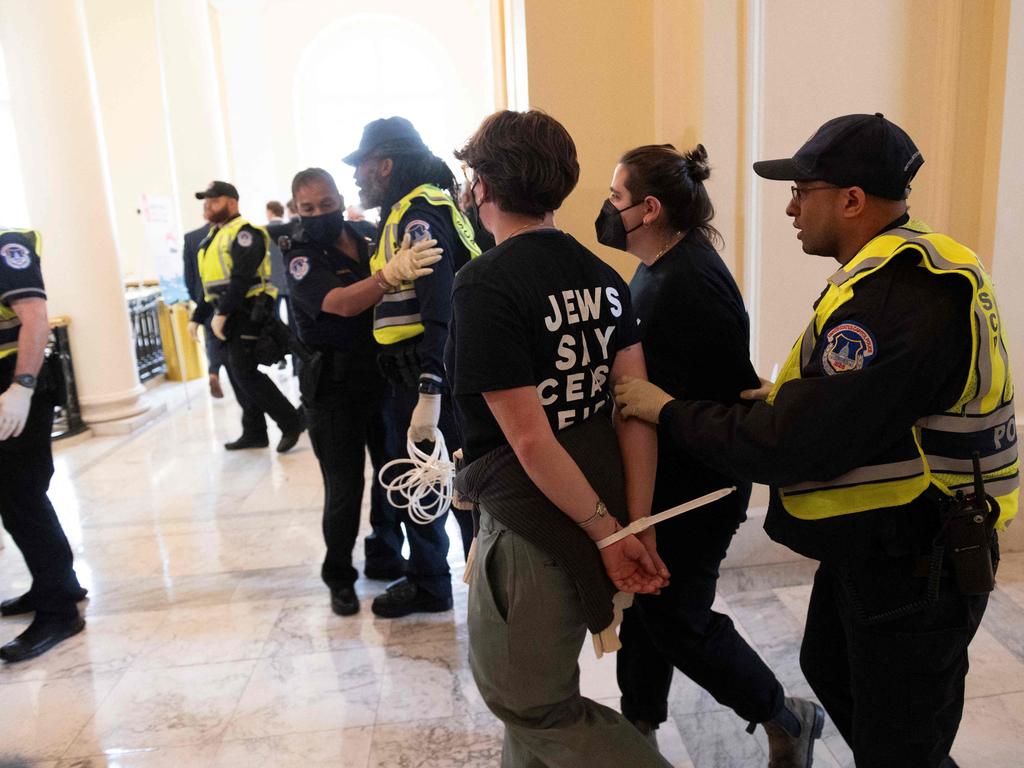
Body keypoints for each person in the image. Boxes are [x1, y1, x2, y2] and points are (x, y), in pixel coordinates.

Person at [614, 113, 1018, 768]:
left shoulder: (896, 298)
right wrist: (785, 398)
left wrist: (669, 411)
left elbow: (792, 445)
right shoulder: (893, 274)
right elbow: (866, 406)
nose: (791, 207)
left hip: (920, 562)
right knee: (831, 670)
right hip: (878, 545)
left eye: (803, 190)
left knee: (901, 742)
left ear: (853, 199)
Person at [449, 109, 670, 767]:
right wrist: (636, 521)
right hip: (593, 505)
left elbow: (530, 440)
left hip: (532, 523)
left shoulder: (484, 284)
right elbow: (633, 412)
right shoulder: (603, 278)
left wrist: (612, 531)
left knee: (529, 703)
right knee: (535, 703)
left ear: (482, 185)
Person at [601, 142, 823, 764]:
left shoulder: (691, 283)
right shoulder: (661, 267)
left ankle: (784, 715)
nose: (606, 207)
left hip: (701, 487)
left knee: (676, 619)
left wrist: (657, 406)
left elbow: (730, 398)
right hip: (667, 481)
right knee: (647, 610)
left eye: (615, 197)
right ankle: (640, 731)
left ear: (648, 209)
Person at [284, 167, 441, 616]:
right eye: (307, 208)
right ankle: (339, 577)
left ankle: (385, 551)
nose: (318, 214)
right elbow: (341, 303)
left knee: (390, 473)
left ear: (339, 198)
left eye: (326, 204)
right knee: (344, 486)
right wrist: (389, 276)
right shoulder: (299, 254)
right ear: (296, 209)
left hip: (380, 377)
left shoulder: (366, 233)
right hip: (332, 389)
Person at [344, 116, 480, 617]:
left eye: (360, 167)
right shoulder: (423, 204)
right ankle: (475, 581)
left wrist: (429, 387)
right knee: (452, 477)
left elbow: (438, 301)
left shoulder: (418, 210)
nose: (356, 178)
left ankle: (435, 583)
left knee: (430, 480)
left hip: (427, 372)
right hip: (431, 369)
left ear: (384, 165)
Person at [0, 228, 88, 663]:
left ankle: (60, 612)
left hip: (14, 386)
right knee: (16, 497)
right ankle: (57, 585)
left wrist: (21, 387)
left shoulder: (6, 245)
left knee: (20, 495)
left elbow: (35, 318)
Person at [187, 180, 304, 452]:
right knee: (237, 374)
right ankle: (254, 431)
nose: (208, 206)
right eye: (205, 202)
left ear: (231, 202)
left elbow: (241, 279)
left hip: (247, 312)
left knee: (245, 373)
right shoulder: (213, 238)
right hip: (225, 315)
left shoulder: (245, 233)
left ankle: (290, 422)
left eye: (213, 201)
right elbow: (210, 287)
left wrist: (223, 313)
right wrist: (198, 316)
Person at [183, 218, 226, 398]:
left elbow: (189, 275)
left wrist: (196, 298)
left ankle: (213, 372)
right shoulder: (228, 234)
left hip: (204, 296)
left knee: (211, 337)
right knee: (226, 334)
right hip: (225, 294)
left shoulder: (191, 238)